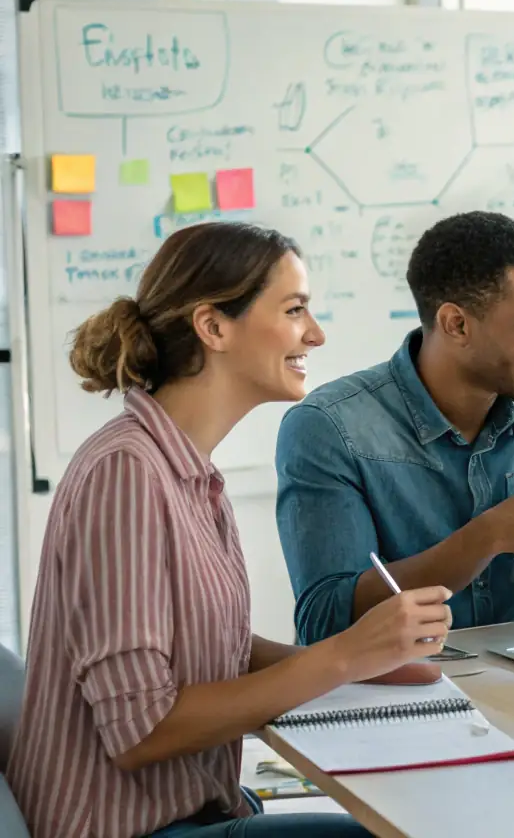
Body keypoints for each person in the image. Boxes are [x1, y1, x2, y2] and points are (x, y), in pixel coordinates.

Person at [9, 222, 454, 838]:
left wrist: (365, 664)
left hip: (199, 809)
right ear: (213, 327)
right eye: (294, 310)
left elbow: (214, 645)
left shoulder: (187, 472)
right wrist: (343, 656)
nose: (316, 333)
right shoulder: (125, 473)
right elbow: (141, 730)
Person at [276, 212, 514, 645]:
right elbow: (325, 620)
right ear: (456, 324)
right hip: (390, 676)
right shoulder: (329, 427)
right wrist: (491, 535)